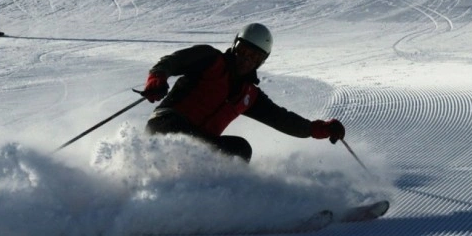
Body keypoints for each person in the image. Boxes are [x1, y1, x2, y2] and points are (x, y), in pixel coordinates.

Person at [140, 23, 345, 163]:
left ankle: (202, 203)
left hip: (199, 142)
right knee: (220, 147)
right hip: (168, 124)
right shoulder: (210, 60)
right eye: (243, 51)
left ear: (261, 61)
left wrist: (320, 129)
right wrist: (157, 78)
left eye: (254, 57)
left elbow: (283, 120)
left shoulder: (249, 95)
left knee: (239, 150)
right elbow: (171, 62)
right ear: (235, 46)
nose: (246, 59)